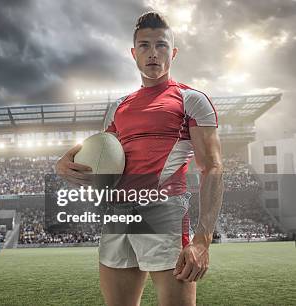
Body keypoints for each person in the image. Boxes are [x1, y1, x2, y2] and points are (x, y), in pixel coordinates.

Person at [55, 11, 224, 306]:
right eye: (144, 46)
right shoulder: (118, 107)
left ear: (173, 52)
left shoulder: (191, 100)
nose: (153, 53)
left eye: (161, 45)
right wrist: (66, 161)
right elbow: (104, 153)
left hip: (163, 211)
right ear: (134, 53)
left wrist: (202, 240)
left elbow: (212, 168)